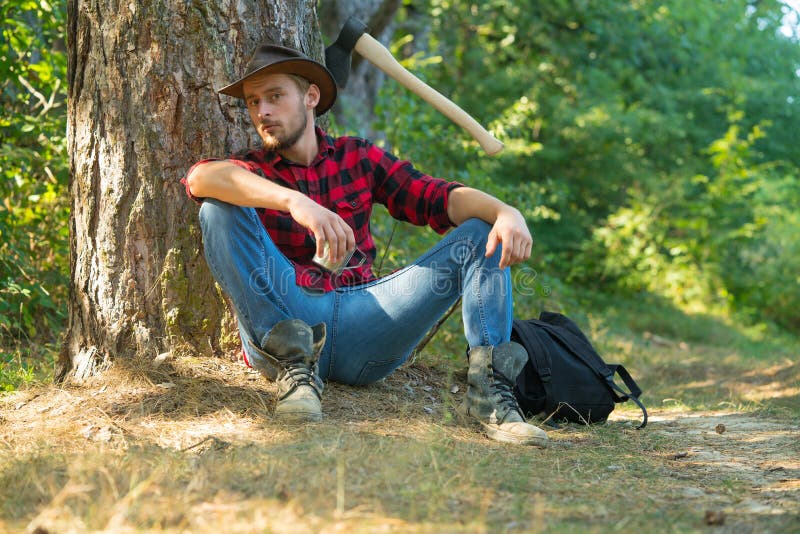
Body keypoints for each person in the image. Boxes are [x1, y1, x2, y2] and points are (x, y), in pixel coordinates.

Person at [182, 43, 548, 447]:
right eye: (254, 102)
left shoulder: (357, 157)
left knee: (482, 232)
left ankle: (490, 396)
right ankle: (295, 371)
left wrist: (506, 211)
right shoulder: (252, 171)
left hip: (367, 321)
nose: (263, 112)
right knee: (218, 209)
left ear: (310, 97)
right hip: (291, 312)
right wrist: (295, 202)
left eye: (274, 96)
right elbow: (201, 179)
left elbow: (439, 198)